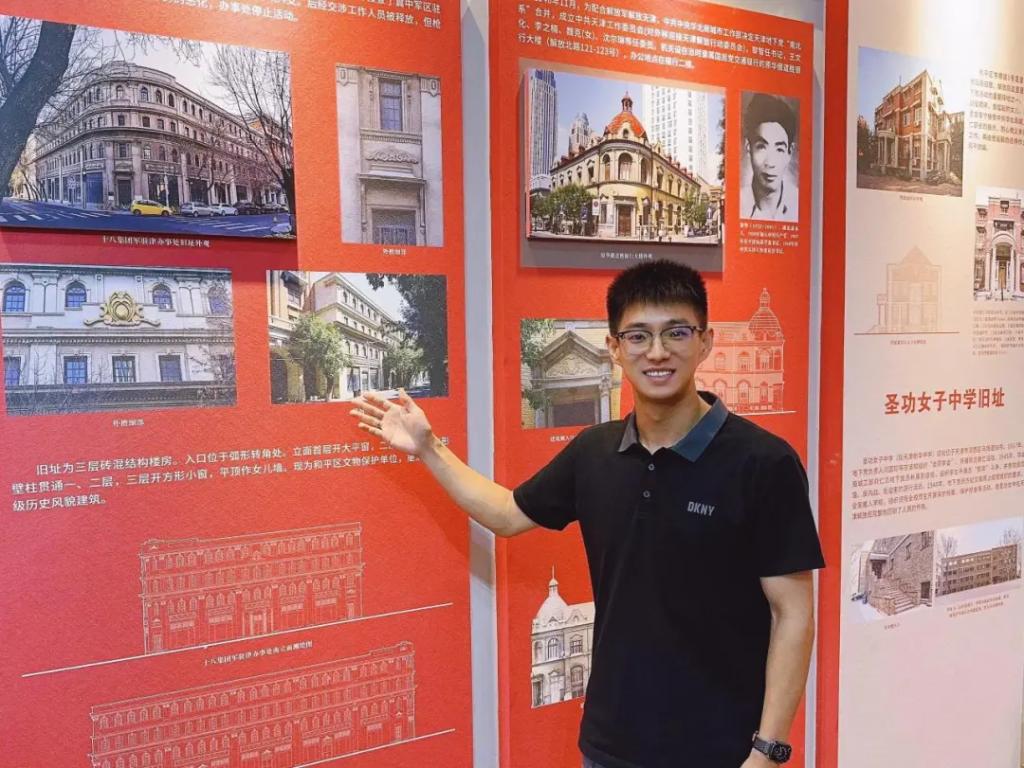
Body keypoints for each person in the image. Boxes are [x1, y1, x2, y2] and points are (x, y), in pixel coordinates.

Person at [350, 260, 824, 768]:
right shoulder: (594, 452)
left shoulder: (763, 463)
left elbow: (793, 615)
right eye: (638, 336)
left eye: (676, 332)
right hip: (609, 746)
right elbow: (507, 513)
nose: (657, 352)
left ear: (704, 342)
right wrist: (429, 448)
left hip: (722, 750)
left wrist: (768, 752)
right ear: (614, 348)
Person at [740, 93, 799, 222]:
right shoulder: (738, 204)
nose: (770, 163)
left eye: (779, 149)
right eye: (761, 147)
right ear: (748, 147)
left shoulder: (799, 204)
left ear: (789, 152)